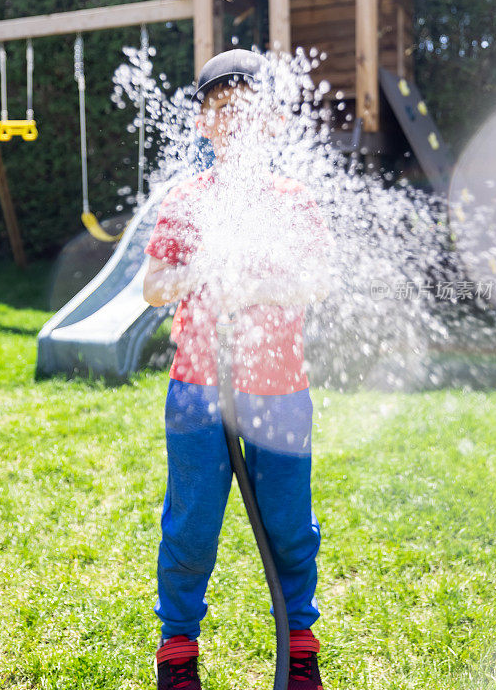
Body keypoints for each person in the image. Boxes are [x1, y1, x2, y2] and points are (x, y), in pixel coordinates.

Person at [143, 49, 333, 690]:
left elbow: (317, 282)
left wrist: (260, 282)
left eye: (248, 108)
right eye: (221, 108)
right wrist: (206, 269)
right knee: (191, 525)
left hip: (279, 392)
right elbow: (153, 287)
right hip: (199, 391)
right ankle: (177, 650)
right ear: (202, 123)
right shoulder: (187, 200)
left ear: (274, 121)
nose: (235, 120)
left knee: (287, 524)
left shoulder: (293, 201)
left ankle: (298, 644)